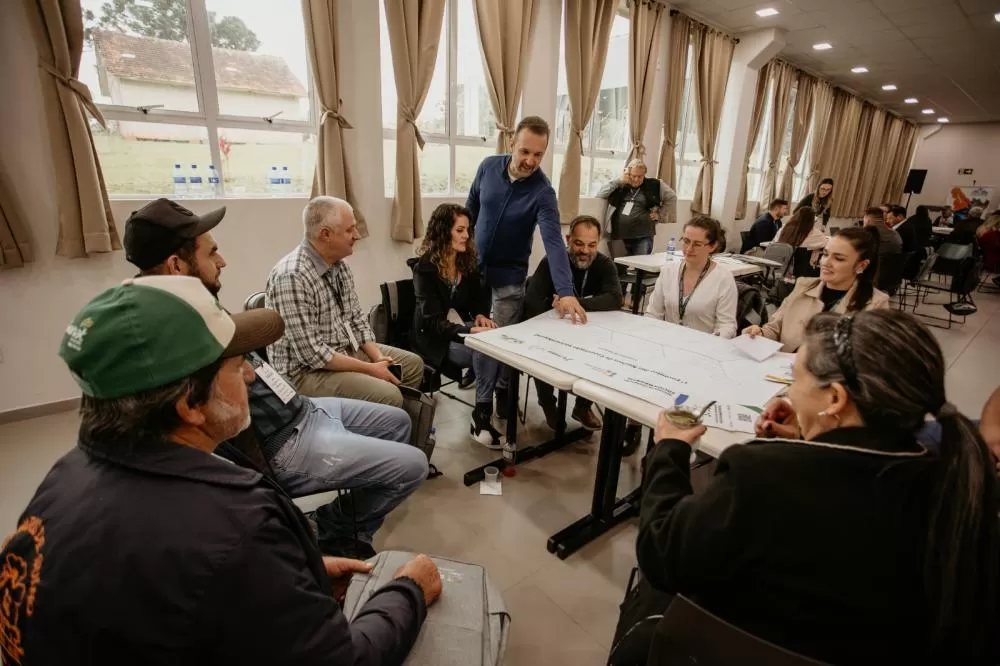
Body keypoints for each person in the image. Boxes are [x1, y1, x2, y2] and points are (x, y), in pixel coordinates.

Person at [0, 275, 442, 664]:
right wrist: (408, 592)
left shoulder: (63, 477)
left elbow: (152, 590)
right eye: (236, 367)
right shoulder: (240, 522)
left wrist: (285, 573)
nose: (251, 377)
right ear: (189, 405)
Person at [637, 309, 999, 663]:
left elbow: (662, 551)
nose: (790, 393)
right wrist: (812, 435)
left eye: (794, 379)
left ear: (836, 399)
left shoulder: (762, 473)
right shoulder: (953, 478)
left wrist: (671, 450)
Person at [123, 198, 426, 558]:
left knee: (398, 421)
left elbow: (257, 359)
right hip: (285, 438)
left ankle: (345, 517)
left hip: (300, 408)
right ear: (176, 264)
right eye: (212, 253)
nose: (223, 261)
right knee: (413, 463)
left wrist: (374, 359)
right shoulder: (172, 334)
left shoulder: (195, 306)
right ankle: (335, 529)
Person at [466, 115, 588, 434]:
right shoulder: (488, 167)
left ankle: (502, 396)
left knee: (501, 342)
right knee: (482, 340)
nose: (530, 161)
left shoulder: (543, 193)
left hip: (509, 279)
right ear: (512, 144)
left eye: (538, 155)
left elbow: (553, 244)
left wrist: (566, 290)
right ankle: (482, 405)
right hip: (476, 274)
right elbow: (470, 211)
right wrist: (457, 255)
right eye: (525, 152)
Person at [266, 196, 424, 408]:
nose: (357, 235)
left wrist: (378, 358)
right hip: (304, 374)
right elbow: (312, 355)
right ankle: (382, 427)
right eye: (350, 230)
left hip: (341, 351)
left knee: (412, 366)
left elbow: (357, 319)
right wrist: (369, 369)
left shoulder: (340, 266)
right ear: (326, 235)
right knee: (389, 395)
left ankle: (393, 426)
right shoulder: (292, 276)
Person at [409, 203, 503, 446]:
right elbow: (431, 323)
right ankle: (481, 418)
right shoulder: (425, 269)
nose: (467, 236)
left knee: (495, 341)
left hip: (458, 329)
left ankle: (489, 408)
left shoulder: (465, 262)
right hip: (435, 339)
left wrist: (481, 315)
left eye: (468, 230)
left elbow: (478, 297)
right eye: (460, 230)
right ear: (443, 231)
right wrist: (469, 330)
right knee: (486, 349)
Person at [523, 215, 623, 431]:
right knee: (541, 355)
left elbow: (615, 298)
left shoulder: (605, 264)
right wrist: (554, 309)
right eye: (579, 243)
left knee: (605, 353)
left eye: (591, 245)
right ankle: (548, 403)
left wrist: (573, 303)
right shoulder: (552, 261)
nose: (585, 251)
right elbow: (531, 300)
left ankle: (583, 406)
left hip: (587, 332)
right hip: (551, 332)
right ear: (568, 240)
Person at [743, 227, 890, 352]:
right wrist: (760, 333)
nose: (826, 262)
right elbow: (774, 329)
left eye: (838, 258)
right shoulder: (803, 286)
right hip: (782, 374)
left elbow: (865, 361)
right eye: (825, 254)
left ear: (861, 266)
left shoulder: (875, 304)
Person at [645, 215, 738, 339]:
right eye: (686, 241)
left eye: (697, 244)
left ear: (712, 246)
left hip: (703, 347)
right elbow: (653, 313)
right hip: (667, 343)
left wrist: (714, 341)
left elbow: (727, 325)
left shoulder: (723, 279)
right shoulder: (668, 271)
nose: (688, 249)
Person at [597, 157, 678, 259]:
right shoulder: (620, 184)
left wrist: (660, 214)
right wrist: (619, 181)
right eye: (634, 176)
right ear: (628, 174)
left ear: (644, 175)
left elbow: (672, 197)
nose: (636, 179)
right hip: (619, 234)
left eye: (640, 176)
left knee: (641, 266)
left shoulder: (654, 184)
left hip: (643, 235)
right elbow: (601, 194)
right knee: (619, 268)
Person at [776, 207, 828, 279]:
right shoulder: (813, 232)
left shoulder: (784, 227)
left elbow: (775, 240)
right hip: (802, 271)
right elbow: (825, 243)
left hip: (783, 267)